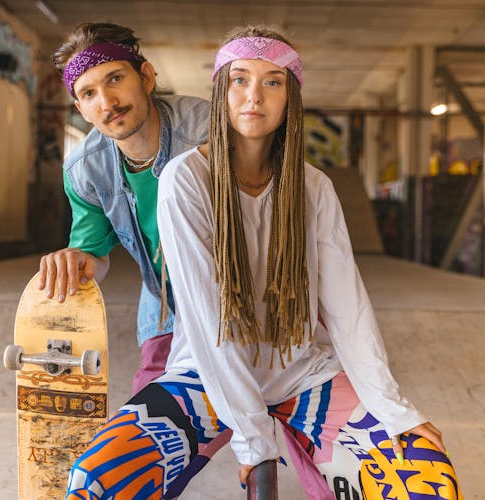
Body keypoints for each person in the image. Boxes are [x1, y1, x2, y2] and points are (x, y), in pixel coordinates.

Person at [66, 25, 461, 500]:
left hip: (303, 374)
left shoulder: (314, 187)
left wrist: (398, 412)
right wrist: (255, 445)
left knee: (427, 484)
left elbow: (347, 310)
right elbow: (214, 325)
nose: (254, 95)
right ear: (220, 92)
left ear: (291, 98)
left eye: (272, 82)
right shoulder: (184, 179)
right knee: (97, 480)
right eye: (239, 80)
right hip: (203, 377)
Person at [40, 23, 209, 394]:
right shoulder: (85, 168)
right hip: (165, 298)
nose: (107, 102)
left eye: (115, 78)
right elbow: (93, 256)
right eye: (89, 93)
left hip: (239, 293)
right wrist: (73, 262)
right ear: (80, 109)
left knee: (271, 406)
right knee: (150, 419)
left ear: (146, 76)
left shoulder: (208, 132)